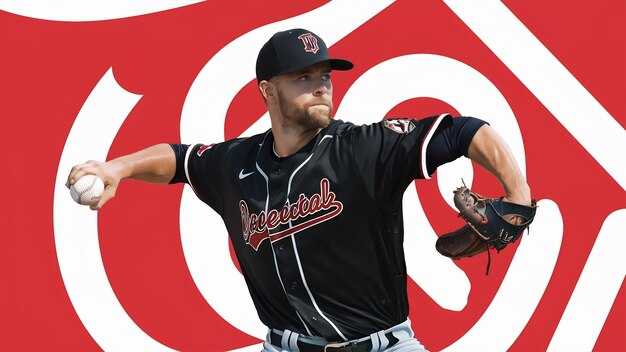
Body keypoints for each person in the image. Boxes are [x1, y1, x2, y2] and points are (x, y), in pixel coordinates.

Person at [67, 28, 532, 351]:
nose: (321, 87)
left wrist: (518, 196)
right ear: (268, 91)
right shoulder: (237, 164)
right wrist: (118, 168)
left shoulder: (366, 149)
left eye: (325, 75)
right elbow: (182, 160)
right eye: (303, 77)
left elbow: (465, 131)